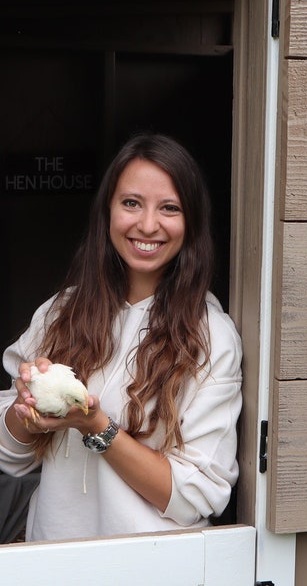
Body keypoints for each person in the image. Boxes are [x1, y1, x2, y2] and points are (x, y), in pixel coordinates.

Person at [0, 133, 242, 542]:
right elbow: (9, 457)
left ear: (192, 223)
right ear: (108, 211)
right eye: (131, 203)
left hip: (148, 568)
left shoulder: (211, 338)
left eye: (169, 208)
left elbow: (195, 497)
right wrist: (26, 410)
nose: (147, 225)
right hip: (51, 559)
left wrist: (96, 425)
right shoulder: (61, 312)